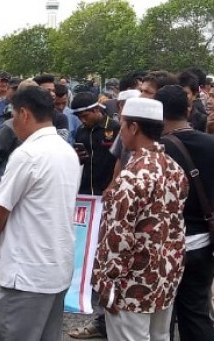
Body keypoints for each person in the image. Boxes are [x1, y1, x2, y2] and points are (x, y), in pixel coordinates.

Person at [0, 86, 80, 340]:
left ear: (24, 113)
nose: (13, 124)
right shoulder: (67, 151)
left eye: (13, 116)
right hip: (56, 266)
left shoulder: (27, 154)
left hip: (27, 272)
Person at [92, 97, 188, 341]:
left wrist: (108, 284)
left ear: (134, 127)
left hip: (131, 282)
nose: (120, 132)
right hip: (165, 275)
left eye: (123, 125)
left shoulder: (132, 176)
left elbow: (118, 238)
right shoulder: (174, 168)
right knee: (160, 336)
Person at [155, 85, 214, 341]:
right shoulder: (211, 144)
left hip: (164, 247)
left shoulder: (155, 152)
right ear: (189, 109)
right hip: (203, 243)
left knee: (160, 318)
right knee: (196, 313)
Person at [71, 92, 120, 196]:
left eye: (85, 116)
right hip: (85, 191)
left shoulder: (115, 128)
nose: (82, 120)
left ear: (96, 109)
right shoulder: (80, 131)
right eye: (79, 118)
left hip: (109, 191)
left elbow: (122, 160)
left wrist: (112, 186)